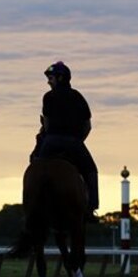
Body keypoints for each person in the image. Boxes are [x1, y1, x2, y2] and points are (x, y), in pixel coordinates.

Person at [30, 61, 99, 222]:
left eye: (51, 78)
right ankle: (91, 209)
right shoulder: (77, 96)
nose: (48, 81)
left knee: (35, 164)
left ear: (60, 78)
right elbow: (87, 126)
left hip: (50, 142)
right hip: (73, 142)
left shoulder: (48, 97)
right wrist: (78, 141)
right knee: (91, 171)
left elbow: (46, 125)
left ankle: (31, 205)